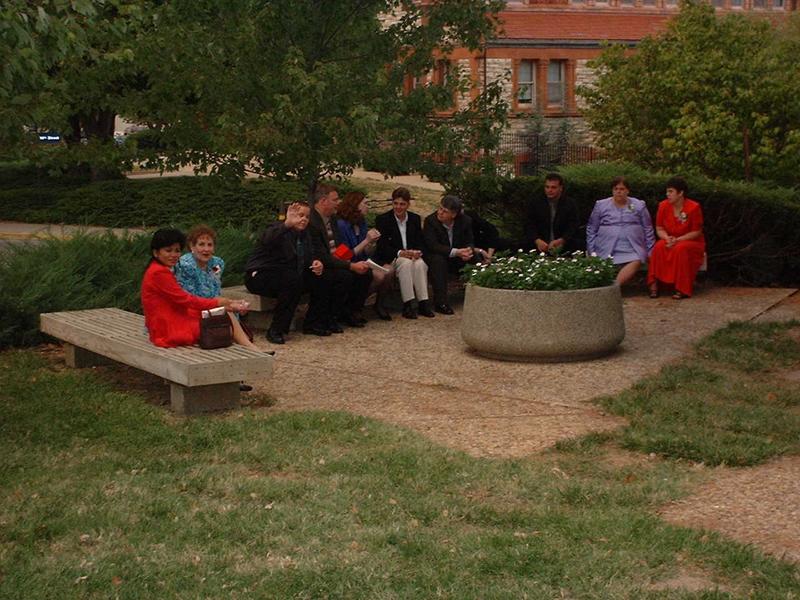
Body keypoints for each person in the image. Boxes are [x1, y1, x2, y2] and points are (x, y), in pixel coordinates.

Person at [142, 228, 253, 349]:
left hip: (173, 319)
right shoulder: (165, 271)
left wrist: (229, 303)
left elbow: (209, 294)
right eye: (168, 251)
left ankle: (250, 347)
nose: (173, 255)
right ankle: (251, 348)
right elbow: (187, 300)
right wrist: (221, 303)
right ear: (156, 253)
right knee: (223, 325)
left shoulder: (215, 264)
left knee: (224, 318)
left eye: (177, 251)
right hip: (169, 328)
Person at [244, 202, 331, 343]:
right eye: (300, 215)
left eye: (307, 216)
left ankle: (313, 323)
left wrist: (316, 263)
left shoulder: (305, 234)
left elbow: (308, 257)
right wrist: (287, 224)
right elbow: (267, 239)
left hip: (289, 275)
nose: (304, 219)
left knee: (323, 277)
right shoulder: (277, 229)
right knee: (292, 280)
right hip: (260, 275)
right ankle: (276, 330)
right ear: (289, 216)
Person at [308, 183, 372, 328]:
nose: (339, 203)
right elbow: (321, 255)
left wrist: (348, 258)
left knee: (365, 273)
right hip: (318, 265)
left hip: (335, 261)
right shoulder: (312, 222)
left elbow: (340, 246)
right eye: (335, 200)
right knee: (344, 276)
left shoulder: (332, 219)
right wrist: (350, 265)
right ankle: (324, 318)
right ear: (323, 201)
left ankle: (349, 313)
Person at [374, 187, 434, 319]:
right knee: (405, 263)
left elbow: (420, 241)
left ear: (408, 204)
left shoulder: (414, 218)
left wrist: (417, 252)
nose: (398, 207)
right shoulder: (383, 219)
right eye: (395, 203)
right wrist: (401, 252)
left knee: (420, 264)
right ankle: (408, 304)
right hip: (392, 257)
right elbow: (382, 247)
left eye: (402, 204)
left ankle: (423, 302)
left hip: (411, 256)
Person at [586, 177, 655, 286]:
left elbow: (648, 227)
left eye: (622, 189)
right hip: (606, 245)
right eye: (616, 189)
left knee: (637, 259)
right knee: (602, 262)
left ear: (627, 191)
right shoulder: (601, 205)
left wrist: (650, 250)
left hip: (632, 246)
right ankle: (609, 288)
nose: (619, 191)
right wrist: (591, 249)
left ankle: (614, 286)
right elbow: (592, 228)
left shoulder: (638, 205)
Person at [336, 191, 394, 320]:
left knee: (389, 270)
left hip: (363, 260)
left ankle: (375, 305)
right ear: (355, 205)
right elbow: (344, 255)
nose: (368, 206)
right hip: (349, 263)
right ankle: (352, 306)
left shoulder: (361, 222)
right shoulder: (341, 225)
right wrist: (367, 241)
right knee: (378, 276)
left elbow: (365, 251)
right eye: (365, 203)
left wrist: (372, 242)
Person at [647, 177, 706, 299]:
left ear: (680, 193)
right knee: (658, 246)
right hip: (670, 239)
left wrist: (678, 240)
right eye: (667, 191)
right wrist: (667, 238)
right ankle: (654, 285)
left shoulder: (694, 207)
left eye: (671, 191)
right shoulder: (663, 206)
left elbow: (697, 232)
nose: (667, 194)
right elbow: (659, 228)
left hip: (691, 241)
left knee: (680, 249)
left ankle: (682, 288)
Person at [423, 195, 475, 315]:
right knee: (438, 261)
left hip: (457, 257)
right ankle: (440, 302)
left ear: (454, 214)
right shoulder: (431, 221)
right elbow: (433, 246)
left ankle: (478, 294)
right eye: (440, 208)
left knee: (475, 258)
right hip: (437, 256)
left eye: (445, 211)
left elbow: (470, 241)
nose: (440, 213)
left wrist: (468, 250)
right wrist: (457, 252)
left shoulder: (465, 221)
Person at [523, 172, 581, 254]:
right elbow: (529, 224)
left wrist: (562, 240)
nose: (549, 190)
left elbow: (573, 226)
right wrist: (537, 241)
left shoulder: (570, 204)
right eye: (547, 187)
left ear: (561, 188)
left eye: (553, 187)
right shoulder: (535, 203)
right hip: (539, 245)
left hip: (564, 246)